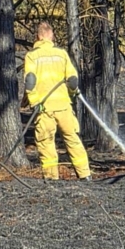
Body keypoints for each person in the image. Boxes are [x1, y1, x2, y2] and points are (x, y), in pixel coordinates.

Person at [23, 22, 91, 180]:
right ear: (50, 35)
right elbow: (72, 79)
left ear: (38, 36)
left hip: (44, 108)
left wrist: (34, 102)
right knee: (73, 140)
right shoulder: (61, 54)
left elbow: (30, 81)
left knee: (46, 143)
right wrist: (73, 93)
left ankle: (52, 178)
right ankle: (85, 175)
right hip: (64, 107)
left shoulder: (32, 55)